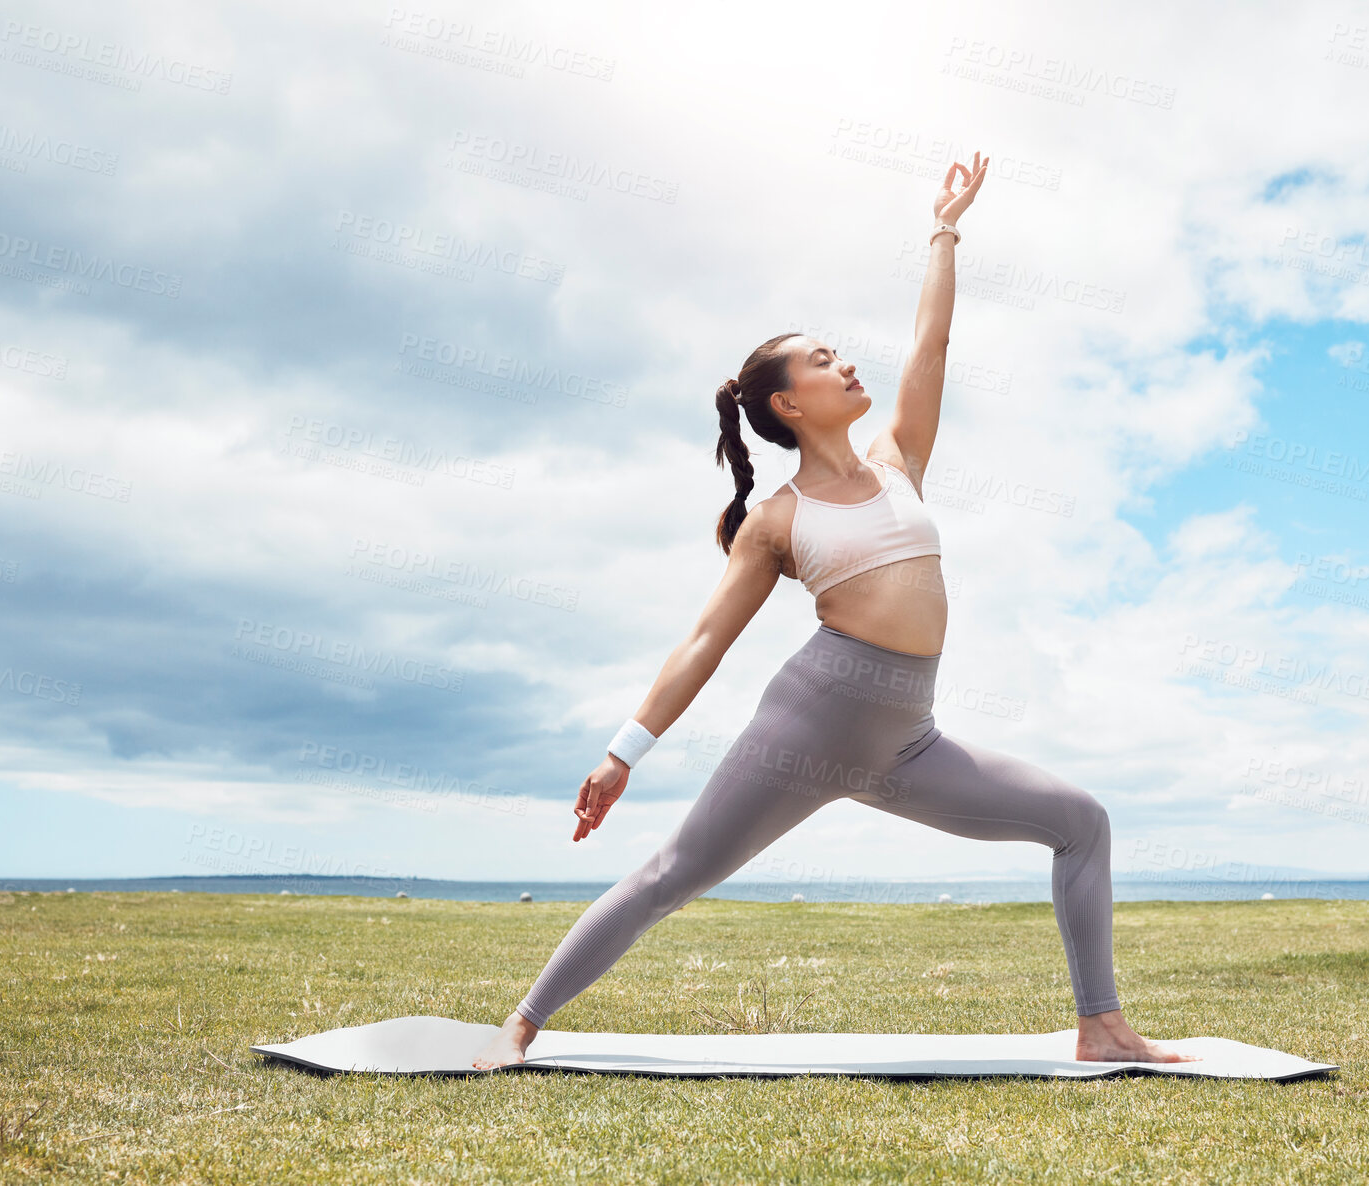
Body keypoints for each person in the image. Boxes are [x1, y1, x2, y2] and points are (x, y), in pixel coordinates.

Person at [473, 152, 1196, 1070]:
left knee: (1081, 820)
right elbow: (704, 641)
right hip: (804, 728)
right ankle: (523, 1024)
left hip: (909, 744)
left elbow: (930, 345)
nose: (845, 362)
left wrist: (945, 230)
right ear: (788, 402)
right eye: (822, 361)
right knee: (671, 877)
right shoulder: (776, 521)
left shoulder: (899, 462)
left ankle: (1102, 1026)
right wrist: (623, 754)